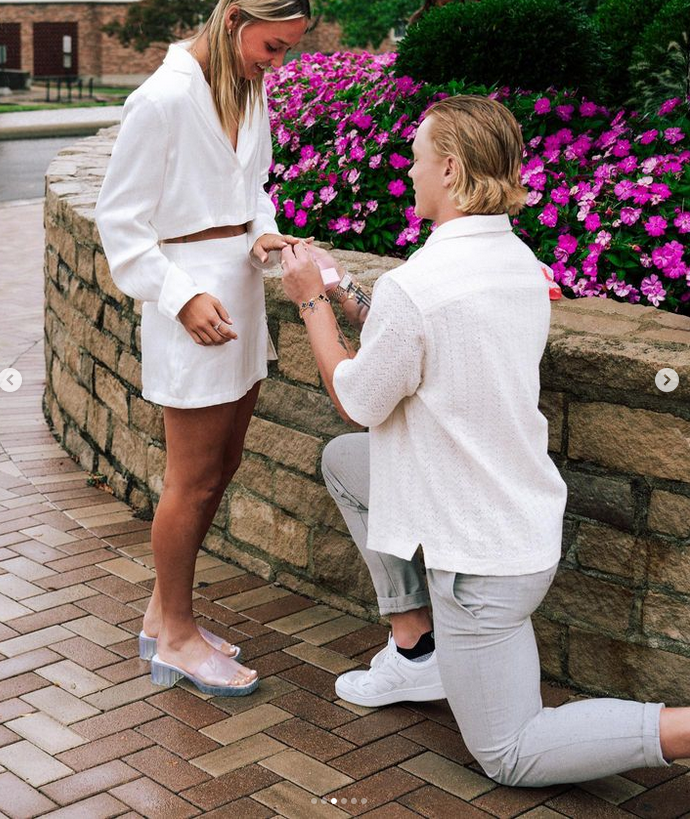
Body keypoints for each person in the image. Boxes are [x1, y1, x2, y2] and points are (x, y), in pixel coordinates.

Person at [280, 95, 690, 786]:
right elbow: (423, 336)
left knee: (510, 753)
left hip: (480, 565)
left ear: (446, 167)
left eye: (414, 160)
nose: (407, 173)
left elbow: (355, 397)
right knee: (349, 463)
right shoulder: (518, 264)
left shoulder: (422, 284)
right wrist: (343, 285)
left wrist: (309, 300)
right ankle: (416, 651)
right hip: (510, 515)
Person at [94, 0, 310, 697]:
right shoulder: (160, 99)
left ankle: (165, 612)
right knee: (190, 479)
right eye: (272, 46)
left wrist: (265, 235)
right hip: (191, 306)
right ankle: (177, 637)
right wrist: (180, 296)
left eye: (285, 50)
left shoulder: (249, 92)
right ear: (233, 21)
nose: (275, 63)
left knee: (223, 465)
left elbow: (254, 191)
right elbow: (120, 225)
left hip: (242, 294)